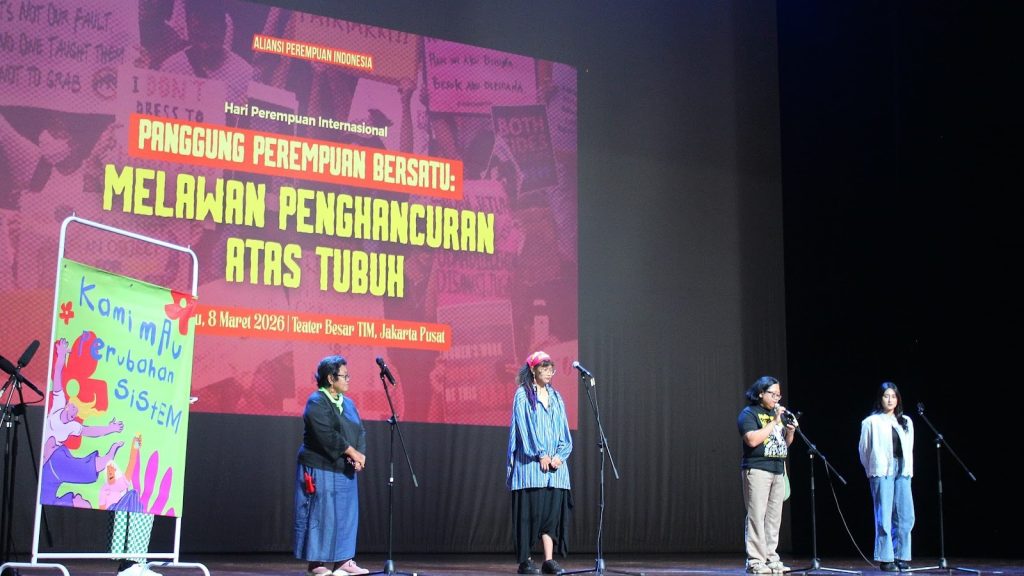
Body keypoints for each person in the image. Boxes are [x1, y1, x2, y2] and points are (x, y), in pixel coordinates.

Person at [294, 355, 369, 576]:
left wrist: (359, 456)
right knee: (320, 515)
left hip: (344, 468)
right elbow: (326, 435)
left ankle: (344, 561)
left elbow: (359, 431)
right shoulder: (316, 401)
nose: (348, 379)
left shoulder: (349, 403)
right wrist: (352, 452)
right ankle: (316, 563)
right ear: (330, 378)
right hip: (320, 466)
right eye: (344, 376)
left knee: (346, 515)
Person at [506, 351, 572, 575]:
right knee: (528, 516)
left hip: (555, 470)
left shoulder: (556, 397)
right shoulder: (523, 395)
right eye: (544, 368)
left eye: (551, 369)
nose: (549, 372)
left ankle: (549, 560)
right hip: (530, 468)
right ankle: (525, 560)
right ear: (533, 371)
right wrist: (540, 454)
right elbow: (524, 429)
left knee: (550, 517)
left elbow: (563, 429)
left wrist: (560, 455)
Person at [738, 376, 797, 574]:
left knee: (773, 518)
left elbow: (782, 445)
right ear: (761, 393)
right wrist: (774, 422)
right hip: (757, 470)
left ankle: (771, 558)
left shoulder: (776, 415)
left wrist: (790, 432)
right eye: (773, 394)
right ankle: (756, 561)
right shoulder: (749, 413)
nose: (776, 399)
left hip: (778, 470)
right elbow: (752, 440)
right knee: (756, 516)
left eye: (779, 395)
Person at [858, 382, 915, 572]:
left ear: (898, 399)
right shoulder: (871, 422)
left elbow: (909, 447)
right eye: (886, 396)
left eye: (893, 396)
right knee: (884, 515)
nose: (890, 400)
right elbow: (864, 450)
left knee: (905, 514)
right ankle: (886, 557)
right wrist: (872, 469)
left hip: (902, 469)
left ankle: (901, 555)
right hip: (881, 470)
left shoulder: (906, 421)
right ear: (880, 399)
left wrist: (907, 468)